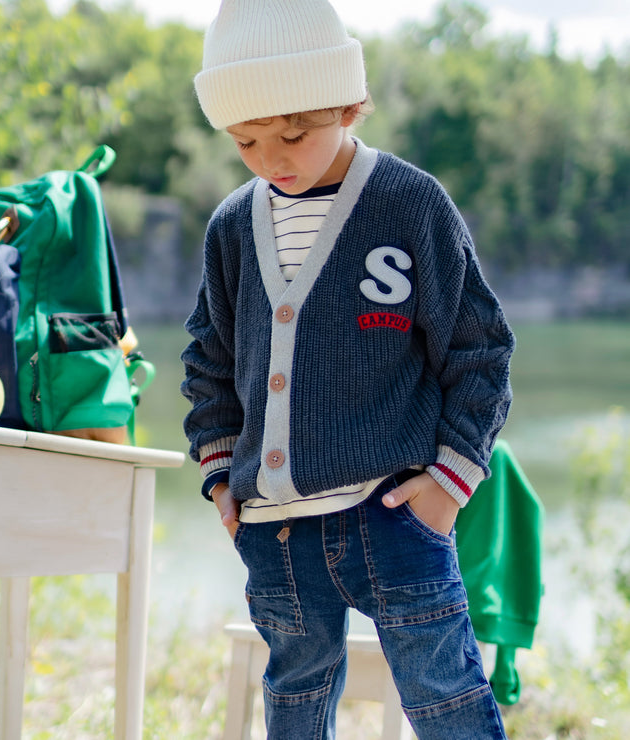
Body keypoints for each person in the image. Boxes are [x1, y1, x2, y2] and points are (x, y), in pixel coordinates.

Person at [180, 1, 515, 737]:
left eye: (294, 133)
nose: (273, 157)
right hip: (274, 532)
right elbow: (209, 360)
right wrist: (218, 477)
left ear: (349, 103)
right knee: (295, 702)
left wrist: (451, 483)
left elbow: (481, 350)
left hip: (393, 514)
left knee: (445, 693)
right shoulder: (234, 226)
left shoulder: (409, 204)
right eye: (246, 141)